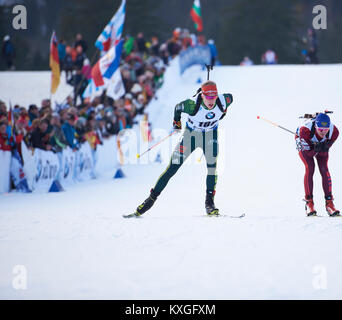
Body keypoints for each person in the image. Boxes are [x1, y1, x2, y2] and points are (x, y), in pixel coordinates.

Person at [124, 81, 233, 218]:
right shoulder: (192, 104)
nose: (211, 101)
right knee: (172, 168)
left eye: (214, 97)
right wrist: (177, 122)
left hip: (210, 136)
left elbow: (231, 97)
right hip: (191, 136)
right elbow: (177, 108)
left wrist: (223, 112)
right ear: (202, 95)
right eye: (208, 97)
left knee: (212, 168)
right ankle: (150, 200)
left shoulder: (224, 100)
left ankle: (209, 203)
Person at [295, 113, 340, 216]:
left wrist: (324, 146)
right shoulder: (304, 131)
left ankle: (329, 203)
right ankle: (309, 203)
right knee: (310, 167)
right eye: (320, 130)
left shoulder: (334, 132)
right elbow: (309, 153)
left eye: (326, 129)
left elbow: (327, 146)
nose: (323, 132)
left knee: (324, 169)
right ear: (315, 126)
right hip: (304, 141)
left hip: (317, 144)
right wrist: (316, 148)